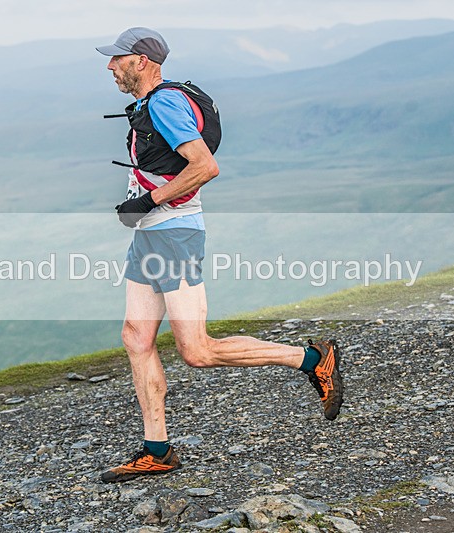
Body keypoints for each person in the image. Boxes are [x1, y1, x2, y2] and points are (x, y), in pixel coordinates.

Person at [96, 27, 344, 483]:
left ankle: (312, 360)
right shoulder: (152, 104)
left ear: (142, 62)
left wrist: (148, 203)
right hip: (151, 235)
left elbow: (205, 165)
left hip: (174, 234)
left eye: (118, 59)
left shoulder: (166, 103)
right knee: (136, 337)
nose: (110, 66)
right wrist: (140, 206)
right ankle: (158, 451)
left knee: (198, 351)